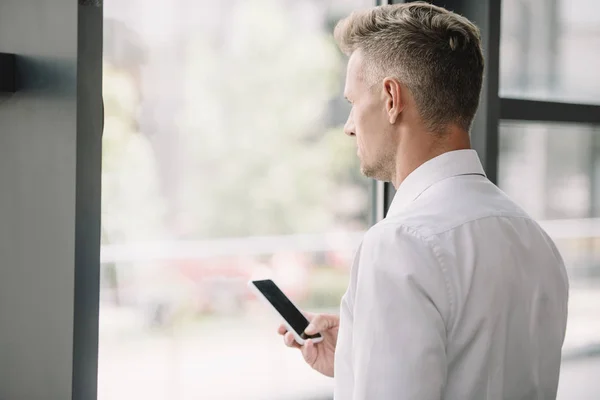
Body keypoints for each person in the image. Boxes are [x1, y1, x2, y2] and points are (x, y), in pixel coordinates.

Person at [278, 2, 569, 399]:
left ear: (391, 98)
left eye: (352, 103)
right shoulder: (536, 240)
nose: (348, 127)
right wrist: (357, 357)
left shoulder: (399, 245)